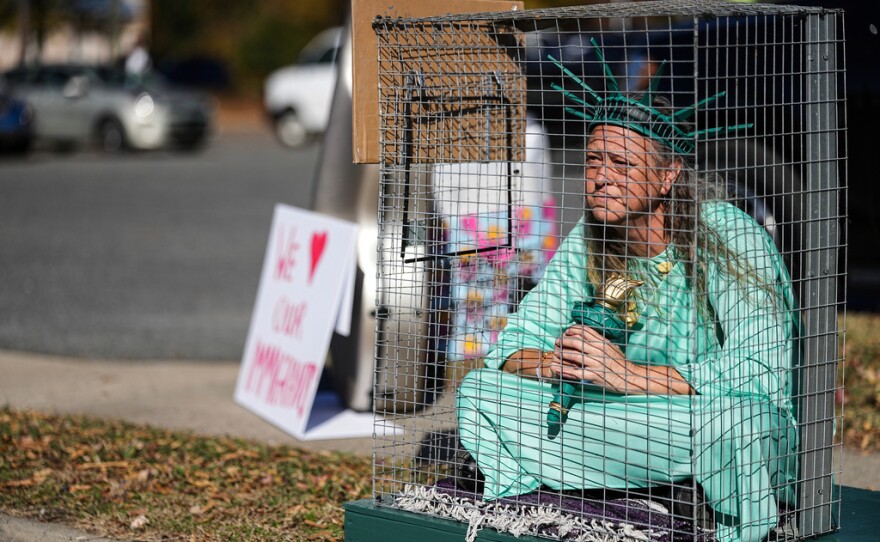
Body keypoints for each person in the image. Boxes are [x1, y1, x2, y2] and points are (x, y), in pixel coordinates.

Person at [455, 52, 800, 542]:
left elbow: (759, 371)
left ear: (667, 175)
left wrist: (628, 375)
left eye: (622, 162)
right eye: (594, 159)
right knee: (482, 396)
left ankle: (717, 517)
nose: (601, 177)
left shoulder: (728, 233)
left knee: (739, 424)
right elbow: (513, 344)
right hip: (629, 419)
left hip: (708, 420)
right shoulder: (589, 235)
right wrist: (557, 363)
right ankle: (535, 508)